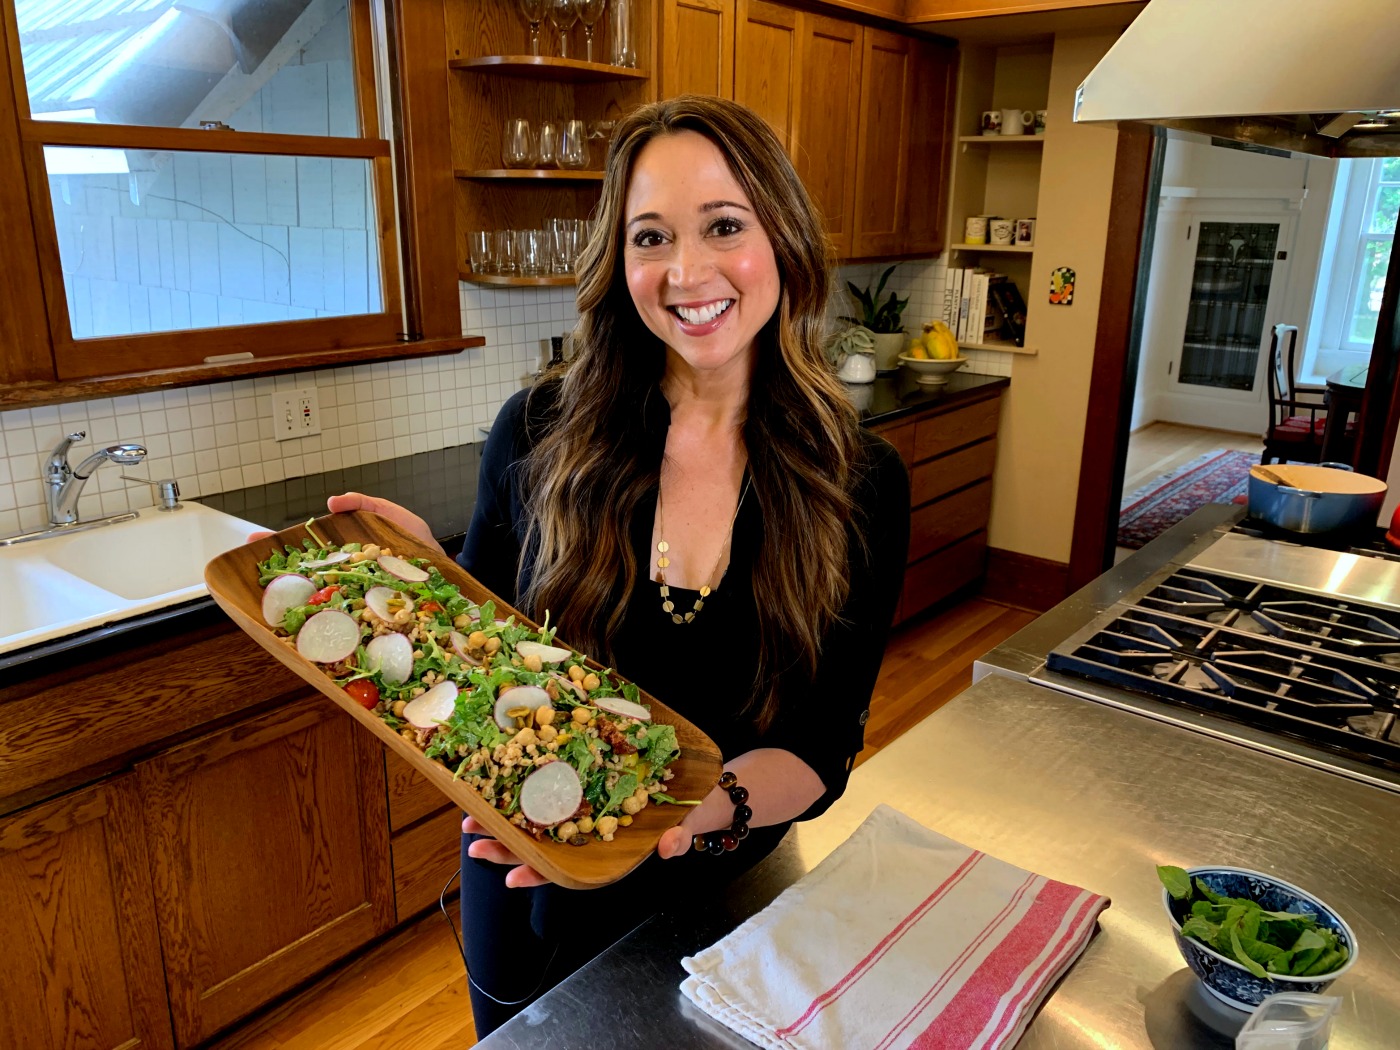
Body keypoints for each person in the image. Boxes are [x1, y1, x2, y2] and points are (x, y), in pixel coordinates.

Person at [328, 94, 910, 1036]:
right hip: (521, 879)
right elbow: (486, 653)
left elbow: (820, 744)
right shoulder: (537, 434)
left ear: (785, 241)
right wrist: (421, 583)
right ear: (619, 260)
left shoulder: (858, 482)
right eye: (651, 238)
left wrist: (689, 814)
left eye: (725, 225)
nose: (688, 272)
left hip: (729, 892)